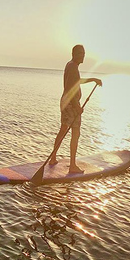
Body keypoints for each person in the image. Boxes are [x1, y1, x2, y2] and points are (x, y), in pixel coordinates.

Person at [47, 44, 102, 174]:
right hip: (71, 104)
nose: (83, 55)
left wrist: (93, 79)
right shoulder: (72, 66)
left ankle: (53, 158)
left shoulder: (71, 65)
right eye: (80, 53)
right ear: (74, 54)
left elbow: (77, 81)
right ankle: (72, 166)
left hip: (66, 102)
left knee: (63, 129)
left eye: (84, 53)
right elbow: (70, 86)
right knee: (75, 133)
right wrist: (76, 105)